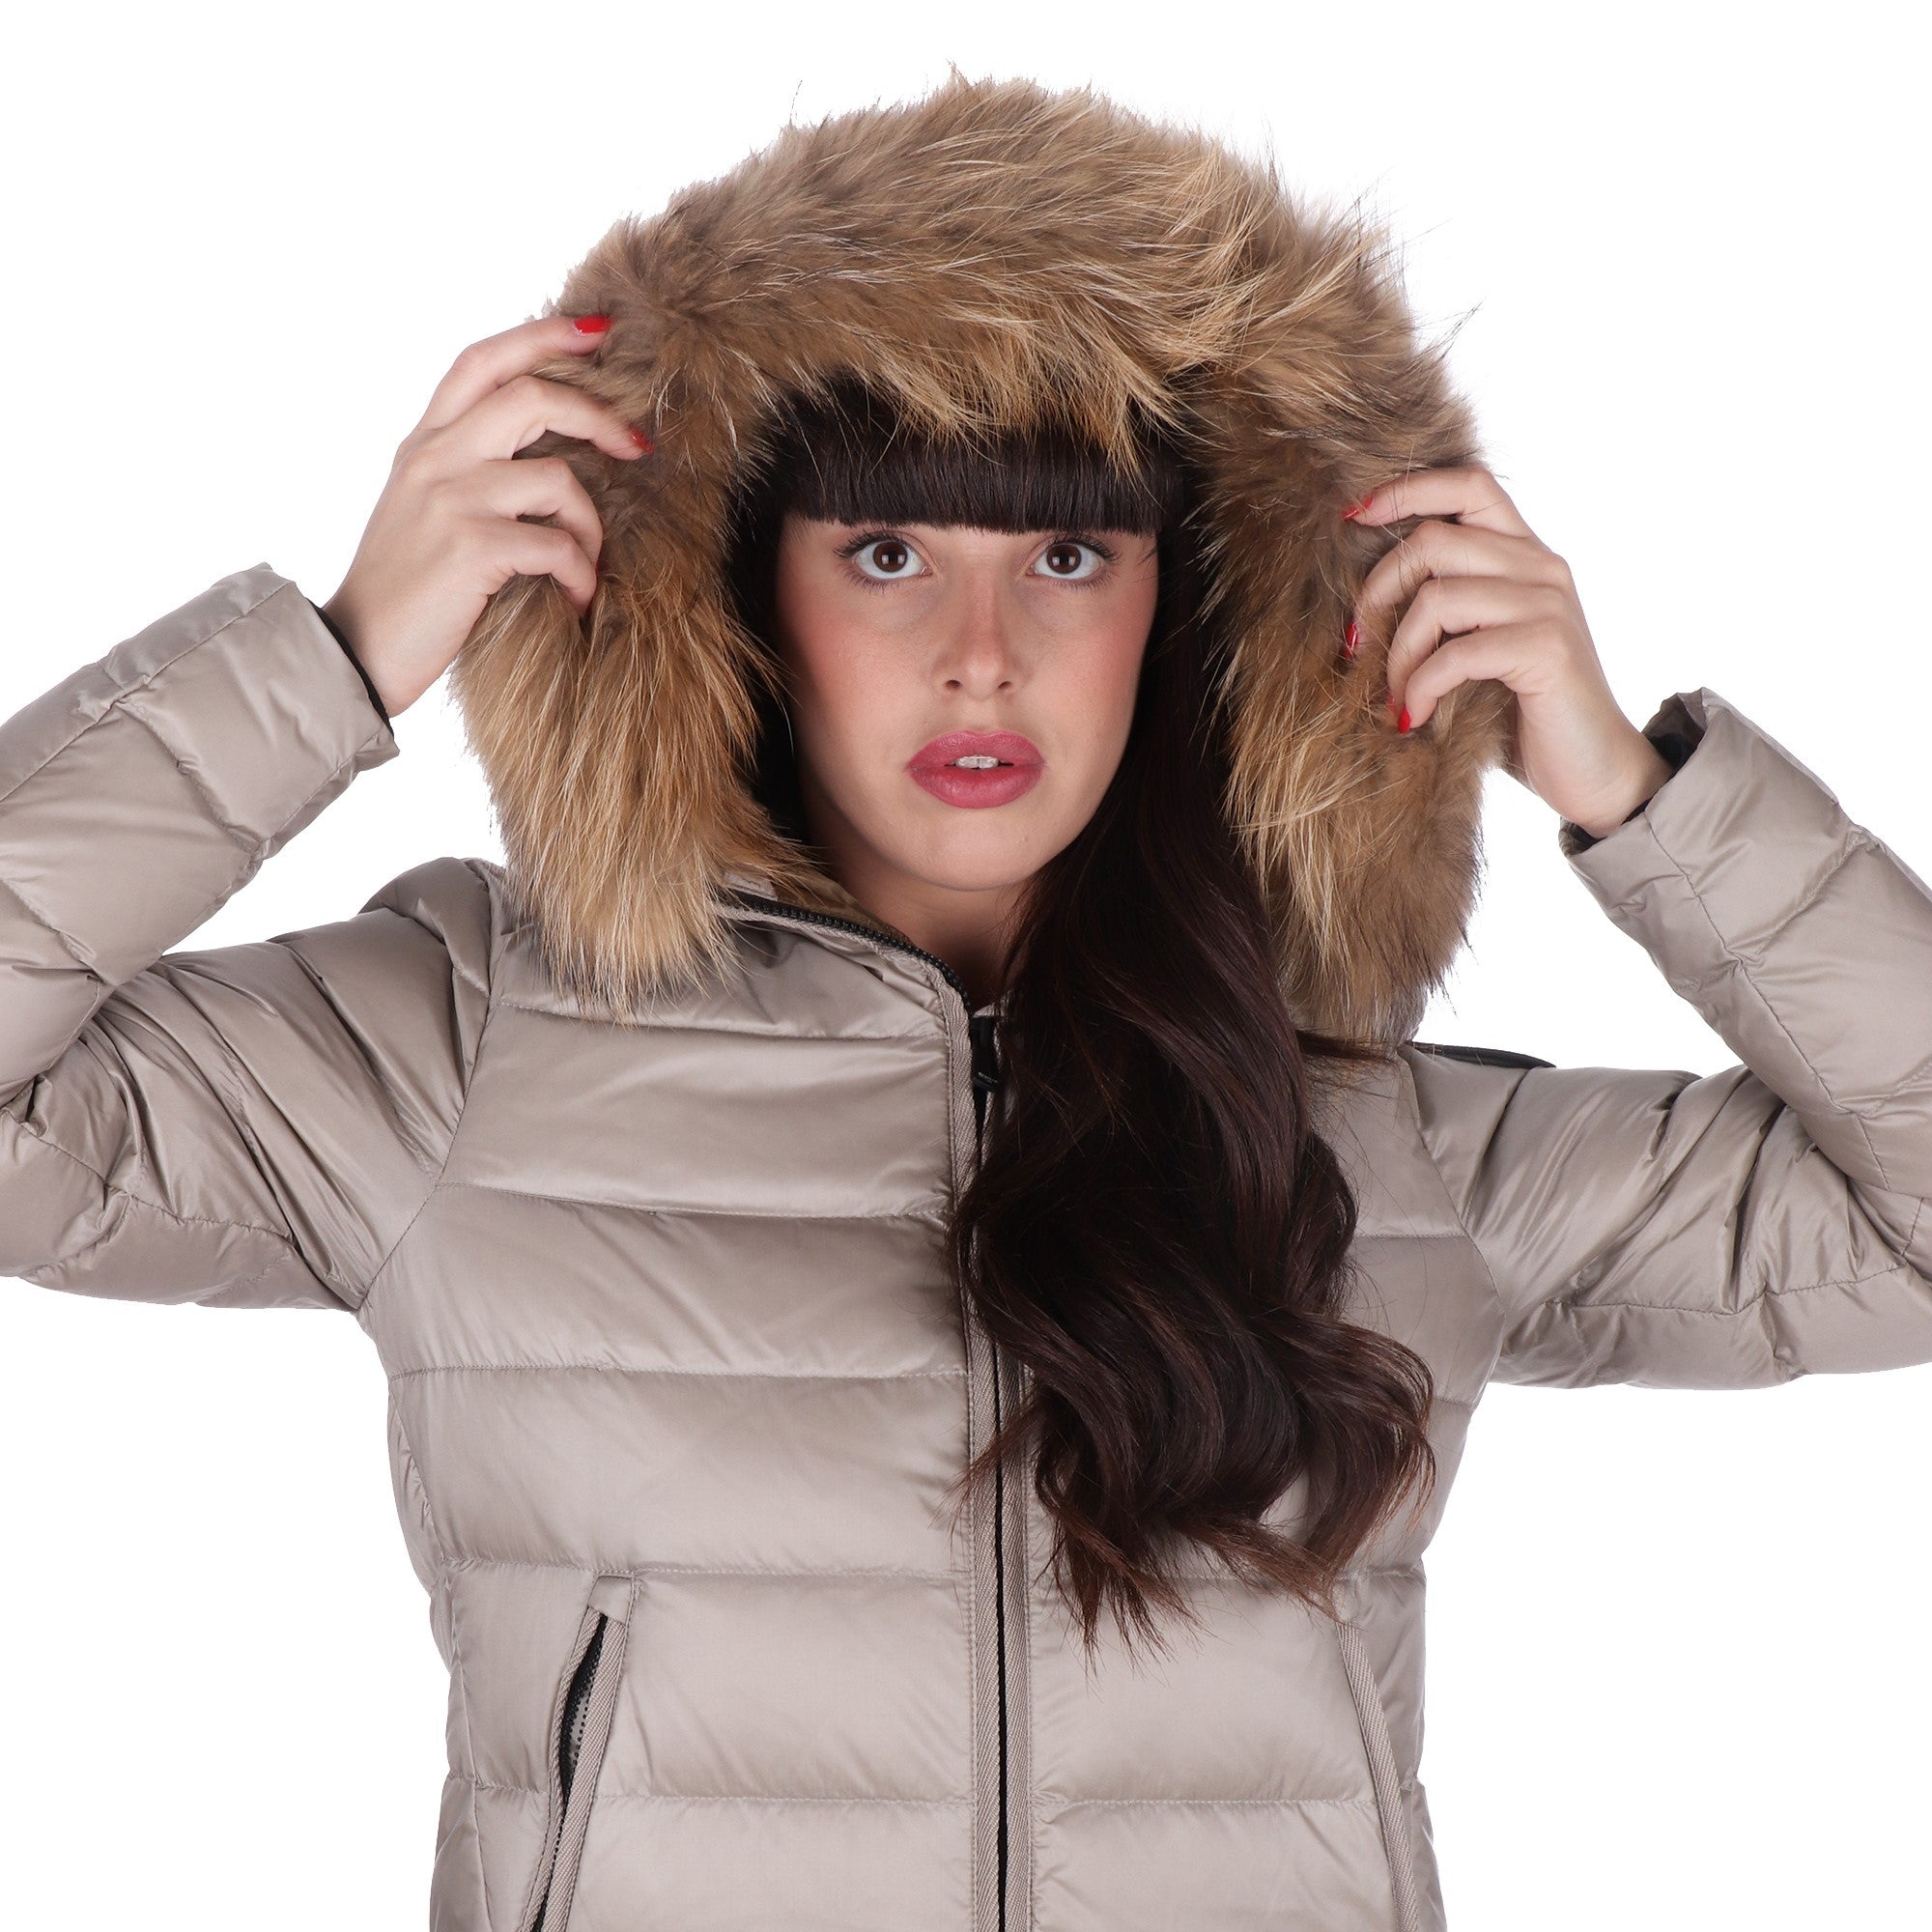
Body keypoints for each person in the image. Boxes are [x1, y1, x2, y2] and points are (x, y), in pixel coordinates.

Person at [2, 71, 1926, 1932]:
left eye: (1069, 555)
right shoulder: (463, 1053)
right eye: (888, 552)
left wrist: (1634, 792)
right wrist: (336, 658)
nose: (982, 654)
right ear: (733, 593)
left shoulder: (1368, 1137)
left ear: (1195, 612)